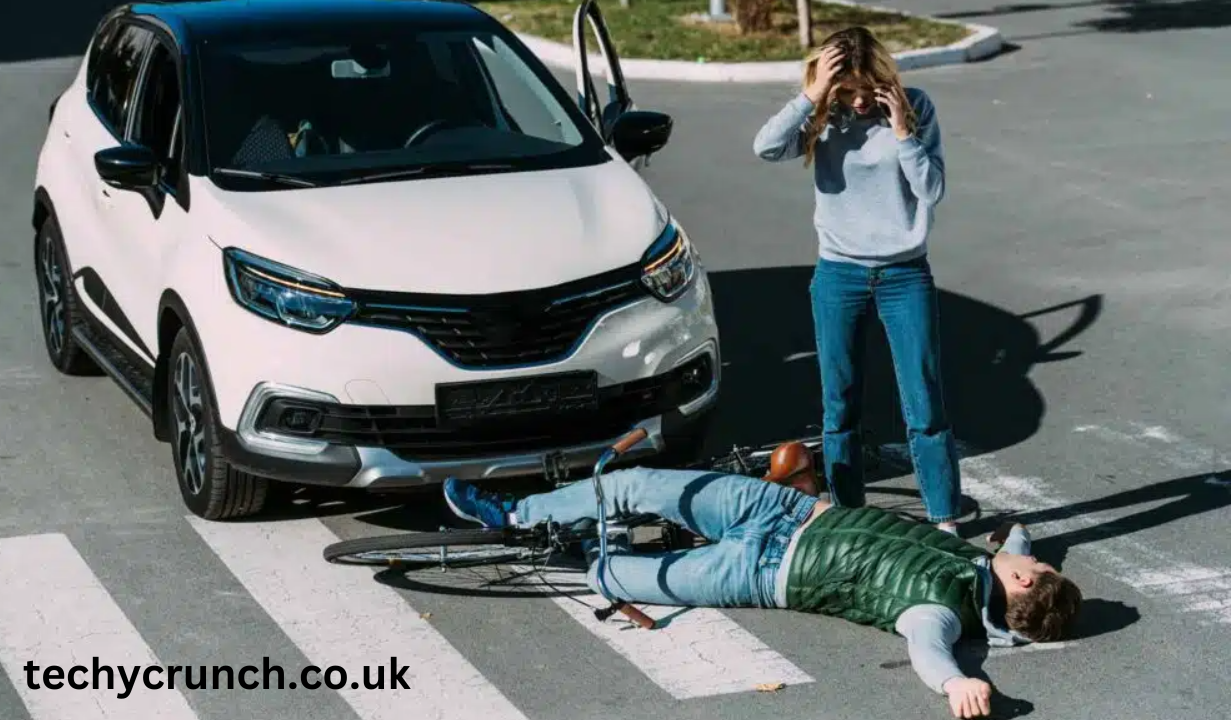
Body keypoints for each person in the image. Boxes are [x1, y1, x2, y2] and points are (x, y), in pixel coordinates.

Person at [441, 459, 1082, 719]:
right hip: (781, 511)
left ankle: (567, 546)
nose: (1021, 558)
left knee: (613, 575)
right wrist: (1020, 532)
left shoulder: (937, 615)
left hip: (758, 574)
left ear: (1024, 583)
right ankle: (517, 513)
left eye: (1034, 568)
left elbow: (928, 654)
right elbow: (1020, 547)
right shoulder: (992, 566)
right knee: (635, 483)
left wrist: (957, 684)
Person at [752, 27, 962, 533]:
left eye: (869, 85)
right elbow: (765, 147)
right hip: (839, 274)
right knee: (839, 405)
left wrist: (902, 131)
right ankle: (848, 520)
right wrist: (814, 95)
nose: (862, 98)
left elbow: (931, 190)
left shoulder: (914, 107)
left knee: (924, 401)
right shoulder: (823, 115)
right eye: (849, 89)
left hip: (904, 274)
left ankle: (944, 519)